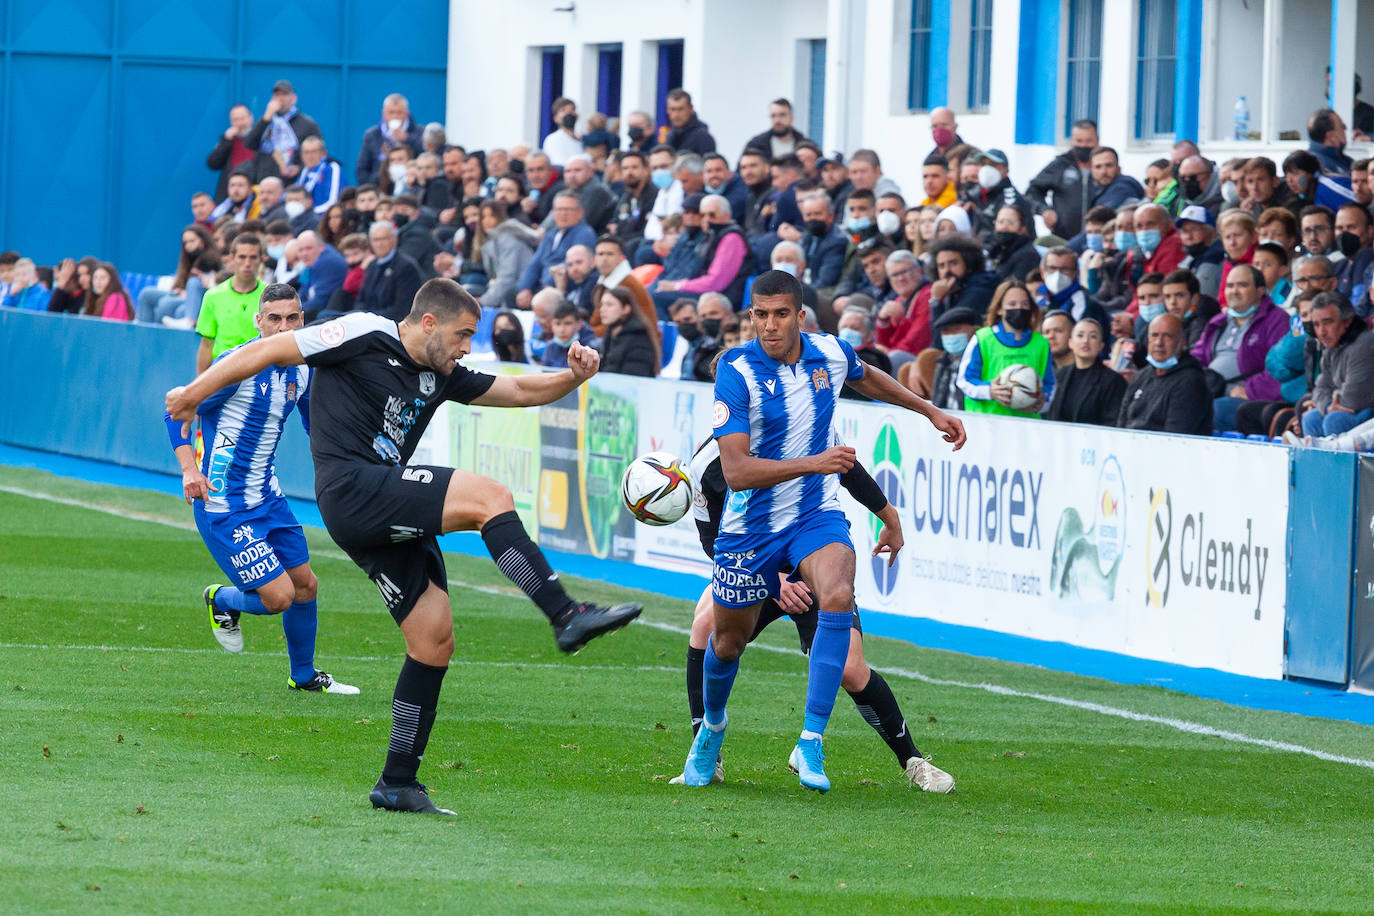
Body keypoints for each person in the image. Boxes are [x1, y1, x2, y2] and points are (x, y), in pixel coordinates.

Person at [166, 279, 642, 815]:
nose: (467, 348)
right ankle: (565, 614)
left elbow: (520, 392)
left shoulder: (442, 373)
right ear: (430, 323)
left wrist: (574, 377)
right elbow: (271, 348)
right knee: (490, 497)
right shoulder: (365, 332)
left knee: (433, 640)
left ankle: (397, 782)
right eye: (463, 335)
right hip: (353, 488)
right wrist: (192, 394)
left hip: (376, 510)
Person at [679, 269, 964, 792]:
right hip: (752, 536)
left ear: (800, 316)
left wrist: (927, 410)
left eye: (780, 314)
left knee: (839, 599)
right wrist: (814, 466)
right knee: (722, 640)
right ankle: (710, 733)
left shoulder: (829, 354)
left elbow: (867, 378)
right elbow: (740, 473)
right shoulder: (735, 377)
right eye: (759, 315)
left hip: (814, 519)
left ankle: (815, 743)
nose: (769, 325)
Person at [673, 403, 952, 791]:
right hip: (754, 565)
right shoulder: (708, 465)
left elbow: (850, 472)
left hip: (812, 564)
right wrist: (775, 582)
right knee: (706, 624)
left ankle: (913, 760)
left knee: (852, 669)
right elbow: (712, 544)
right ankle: (707, 753)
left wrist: (889, 516)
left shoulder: (804, 428)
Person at [164, 283, 358, 694]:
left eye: (292, 318)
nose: (283, 326)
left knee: (307, 585)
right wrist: (188, 470)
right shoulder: (236, 368)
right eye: (274, 318)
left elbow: (314, 426)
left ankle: (303, 676)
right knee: (279, 598)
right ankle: (221, 600)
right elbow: (175, 412)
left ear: (303, 320)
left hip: (268, 498)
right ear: (259, 321)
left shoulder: (303, 368)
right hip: (223, 505)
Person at [1192, 264, 1289, 432]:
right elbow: (1197, 358)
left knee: (1213, 410)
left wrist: (1249, 390)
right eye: (1230, 286)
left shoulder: (1277, 320)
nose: (1234, 291)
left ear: (1260, 291)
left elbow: (1281, 368)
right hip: (1211, 391)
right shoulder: (1217, 322)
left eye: (1242, 285)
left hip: (1247, 398)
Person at [957, 278, 1054, 418]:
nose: (1019, 308)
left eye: (1024, 304)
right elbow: (964, 380)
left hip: (1027, 426)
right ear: (999, 309)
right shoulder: (982, 338)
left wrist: (1041, 404)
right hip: (986, 425)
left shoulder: (1041, 343)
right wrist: (990, 391)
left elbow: (1049, 384)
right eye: (1012, 304)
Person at [652, 194, 750, 312]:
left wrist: (677, 286)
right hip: (704, 293)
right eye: (703, 215)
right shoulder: (711, 236)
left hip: (720, 299)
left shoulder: (732, 238)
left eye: (712, 215)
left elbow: (715, 283)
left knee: (654, 298)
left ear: (727, 216)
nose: (707, 219)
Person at [1118, 313, 1214, 434]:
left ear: (1182, 342)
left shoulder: (1191, 382)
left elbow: (1175, 437)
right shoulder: (1141, 376)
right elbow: (1121, 426)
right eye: (1154, 335)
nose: (1159, 342)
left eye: (1167, 336)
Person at [1300, 291, 1374, 436]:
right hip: (1348, 409)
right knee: (1310, 419)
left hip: (1369, 411)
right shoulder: (1331, 346)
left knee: (1335, 420)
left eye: (1327, 322)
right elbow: (1319, 389)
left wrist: (1329, 401)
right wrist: (1328, 406)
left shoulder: (1364, 345)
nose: (1321, 332)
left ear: (1347, 321)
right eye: (1316, 324)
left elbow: (1354, 399)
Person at [196, 234, 267, 372]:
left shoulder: (269, 296)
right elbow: (206, 344)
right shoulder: (213, 296)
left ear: (261, 259)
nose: (247, 263)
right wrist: (200, 384)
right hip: (222, 371)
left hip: (259, 372)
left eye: (253, 257)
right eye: (242, 257)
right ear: (232, 258)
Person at [515, 192, 597, 308]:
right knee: (511, 294)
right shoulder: (551, 234)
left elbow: (573, 264)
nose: (563, 214)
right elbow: (534, 265)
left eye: (568, 210)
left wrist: (547, 287)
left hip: (563, 287)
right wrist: (524, 288)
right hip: (543, 286)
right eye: (558, 210)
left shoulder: (585, 233)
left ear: (580, 213)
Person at [1027, 119, 1099, 239]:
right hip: (1063, 239)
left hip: (1097, 239)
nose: (1084, 145)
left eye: (1088, 141)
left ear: (1097, 140)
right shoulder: (1060, 165)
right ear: (1072, 141)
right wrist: (1044, 211)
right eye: (1079, 141)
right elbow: (1032, 192)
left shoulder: (1105, 165)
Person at [589, 235, 659, 356]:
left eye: (610, 254)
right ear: (594, 259)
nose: (604, 259)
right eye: (600, 254)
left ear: (621, 258)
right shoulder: (603, 283)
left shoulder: (627, 285)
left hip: (636, 350)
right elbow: (597, 322)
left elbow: (621, 326)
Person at [1046, 318, 1125, 426]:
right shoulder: (1060, 375)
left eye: (1093, 336)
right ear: (1070, 343)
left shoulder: (1113, 381)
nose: (1085, 341)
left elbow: (1113, 423)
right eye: (1080, 335)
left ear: (1101, 346)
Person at [243, 80, 320, 183]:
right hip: (265, 181)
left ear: (294, 98)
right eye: (277, 95)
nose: (280, 98)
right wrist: (265, 118)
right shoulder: (267, 121)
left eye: (284, 94)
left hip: (292, 183)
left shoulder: (307, 124)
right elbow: (249, 143)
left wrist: (300, 168)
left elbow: (319, 154)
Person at [351, 221, 424, 322]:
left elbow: (401, 309)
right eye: (375, 240)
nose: (379, 244)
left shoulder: (405, 266)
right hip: (368, 320)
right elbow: (361, 300)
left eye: (384, 239)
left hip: (390, 324)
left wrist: (369, 318)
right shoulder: (372, 265)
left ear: (395, 239)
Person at [207, 103, 276, 201]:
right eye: (235, 120)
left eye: (242, 119)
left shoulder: (262, 137)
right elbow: (212, 163)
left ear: (251, 118)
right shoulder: (228, 140)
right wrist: (226, 141)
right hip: (232, 193)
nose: (240, 123)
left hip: (255, 190)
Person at [477, 199, 539, 309]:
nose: (487, 221)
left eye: (492, 216)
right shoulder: (491, 241)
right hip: (505, 291)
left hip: (522, 292)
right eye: (483, 217)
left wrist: (483, 301)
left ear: (501, 217)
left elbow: (507, 278)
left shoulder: (508, 238)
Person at [357, 93, 424, 185]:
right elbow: (362, 169)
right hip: (380, 186)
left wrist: (408, 138)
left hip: (411, 185)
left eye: (399, 112)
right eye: (391, 112)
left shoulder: (420, 132)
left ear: (407, 113)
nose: (395, 116)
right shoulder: (372, 135)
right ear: (384, 113)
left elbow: (425, 156)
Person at [596, 286, 657, 377]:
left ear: (626, 309)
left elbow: (633, 378)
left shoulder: (639, 339)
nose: (602, 310)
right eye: (602, 305)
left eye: (609, 305)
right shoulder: (610, 336)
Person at [1174, 205, 1225, 299]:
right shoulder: (1193, 257)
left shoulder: (1214, 258)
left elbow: (1201, 300)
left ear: (1212, 232)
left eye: (1194, 229)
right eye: (1184, 231)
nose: (1189, 236)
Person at [295, 231, 347, 320]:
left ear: (322, 247)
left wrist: (292, 311)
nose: (304, 254)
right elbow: (303, 293)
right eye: (301, 250)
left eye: (309, 248)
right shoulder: (311, 263)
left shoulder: (328, 262)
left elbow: (319, 302)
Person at [540, 300, 598, 368]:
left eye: (568, 323)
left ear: (579, 324)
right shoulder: (550, 348)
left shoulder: (591, 348)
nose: (562, 330)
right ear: (551, 324)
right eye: (557, 324)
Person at [665, 88, 715, 154]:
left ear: (690, 109)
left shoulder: (703, 138)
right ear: (667, 110)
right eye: (672, 109)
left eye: (680, 109)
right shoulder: (669, 134)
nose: (676, 115)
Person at [543, 97, 583, 165]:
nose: (569, 113)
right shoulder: (552, 139)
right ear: (555, 118)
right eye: (563, 110)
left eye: (572, 109)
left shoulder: (584, 139)